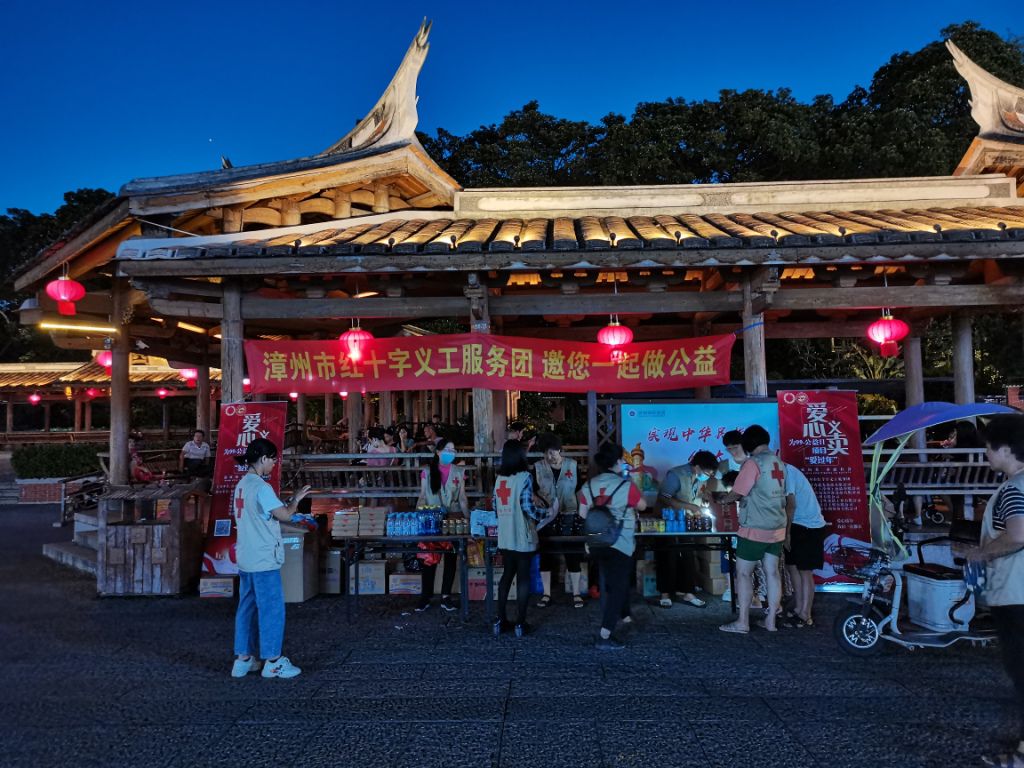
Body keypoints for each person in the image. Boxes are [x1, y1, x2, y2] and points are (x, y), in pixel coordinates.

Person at [956, 415, 1024, 767]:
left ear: (1007, 450)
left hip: (1016, 593)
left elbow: (1018, 535)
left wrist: (980, 553)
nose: (985, 453)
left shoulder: (1014, 489)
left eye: (989, 447)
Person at [230, 437, 312, 679]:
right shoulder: (261, 488)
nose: (274, 464)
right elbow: (285, 515)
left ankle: (243, 659)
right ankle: (273, 661)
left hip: (246, 556)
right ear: (263, 458)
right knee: (271, 609)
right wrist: (296, 499)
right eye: (273, 460)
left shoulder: (242, 485)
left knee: (246, 608)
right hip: (263, 558)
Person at [578, 442, 647, 650]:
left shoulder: (588, 485)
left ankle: (625, 615)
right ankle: (605, 635)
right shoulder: (626, 486)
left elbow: (582, 514)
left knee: (613, 580)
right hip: (620, 542)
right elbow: (643, 505)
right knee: (618, 587)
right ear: (617, 462)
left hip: (596, 542)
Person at [719, 425, 786, 634]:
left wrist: (722, 501)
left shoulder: (753, 463)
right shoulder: (778, 462)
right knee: (772, 573)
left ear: (748, 444)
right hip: (777, 527)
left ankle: (742, 622)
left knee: (743, 573)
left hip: (755, 527)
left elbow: (737, 492)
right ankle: (771, 621)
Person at [492, 440, 545, 638]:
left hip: (505, 536)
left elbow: (495, 506)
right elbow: (528, 508)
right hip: (522, 536)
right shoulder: (525, 477)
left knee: (506, 576)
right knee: (523, 578)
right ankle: (520, 624)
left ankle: (500, 621)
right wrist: (545, 513)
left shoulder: (499, 479)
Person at [655, 450, 718, 609]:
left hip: (686, 521)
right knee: (667, 554)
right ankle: (665, 594)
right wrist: (689, 506)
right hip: (667, 520)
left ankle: (688, 592)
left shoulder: (700, 478)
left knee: (688, 554)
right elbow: (664, 497)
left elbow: (697, 497)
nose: (708, 476)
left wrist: (703, 503)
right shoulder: (676, 475)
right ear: (697, 467)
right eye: (707, 473)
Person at [533, 432, 585, 609]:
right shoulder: (537, 467)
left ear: (559, 450)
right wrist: (534, 497)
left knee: (572, 553)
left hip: (569, 513)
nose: (549, 457)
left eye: (552, 452)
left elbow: (579, 490)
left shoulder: (572, 465)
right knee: (546, 554)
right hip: (546, 516)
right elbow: (531, 489)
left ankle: (576, 593)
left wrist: (583, 513)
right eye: (545, 453)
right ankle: (546, 593)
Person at [415, 438, 467, 612]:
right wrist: (418, 515)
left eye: (453, 450)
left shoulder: (459, 472)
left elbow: (462, 498)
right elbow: (423, 496)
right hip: (431, 520)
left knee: (451, 558)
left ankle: (446, 596)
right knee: (429, 559)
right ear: (438, 452)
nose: (451, 453)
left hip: (453, 519)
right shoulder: (427, 471)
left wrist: (468, 519)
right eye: (447, 450)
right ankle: (425, 596)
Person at [782, 462, 827, 628]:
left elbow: (791, 505)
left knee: (804, 570)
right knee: (792, 567)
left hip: (809, 526)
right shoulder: (781, 471)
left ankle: (805, 614)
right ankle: (798, 607)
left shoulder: (787, 472)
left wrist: (786, 533)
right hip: (796, 524)